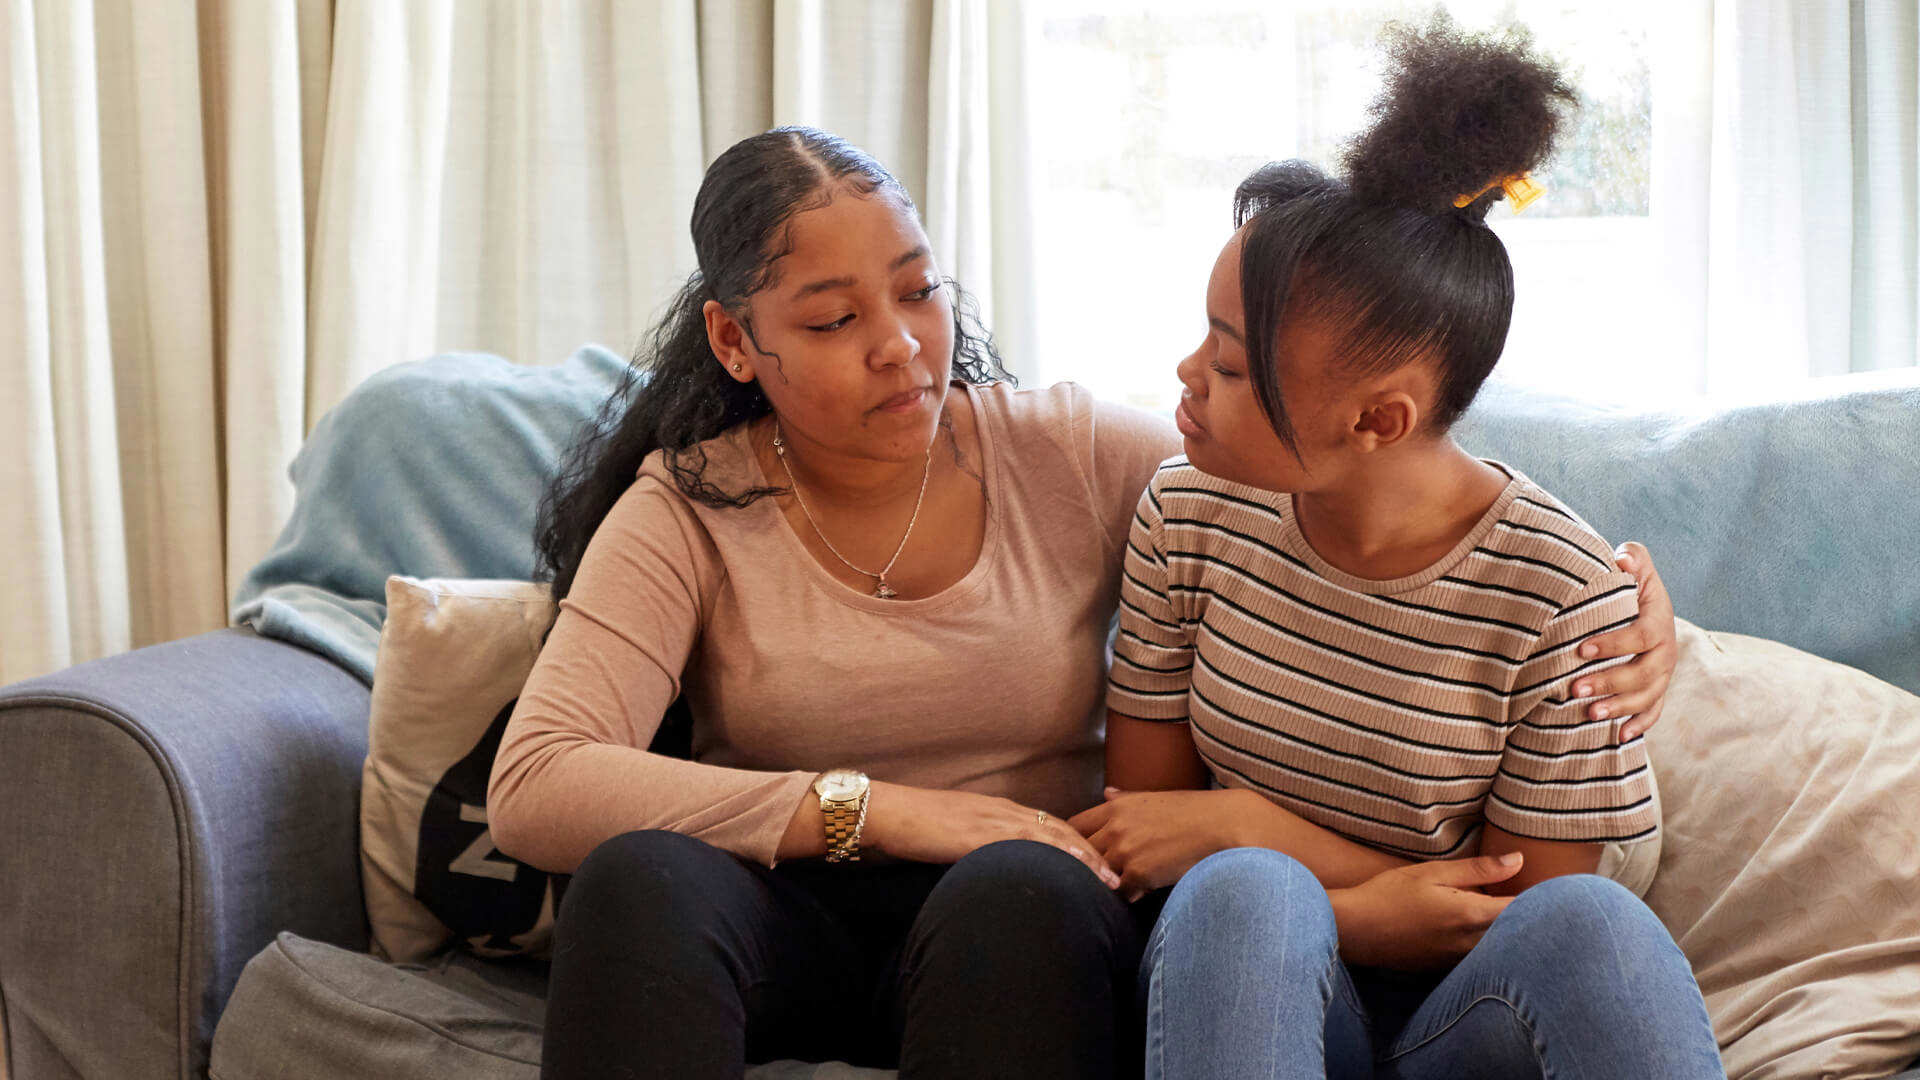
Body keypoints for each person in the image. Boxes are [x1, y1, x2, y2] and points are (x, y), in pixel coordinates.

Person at [485, 124, 1682, 1080]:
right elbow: (539, 785)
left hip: (1030, 918)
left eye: (918, 292)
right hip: (786, 912)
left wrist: (1629, 605)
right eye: (836, 320)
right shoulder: (688, 506)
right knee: (639, 879)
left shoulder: (1076, 458)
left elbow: (1366, 453)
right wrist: (882, 812)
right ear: (738, 344)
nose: (903, 346)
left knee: (1025, 889)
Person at [1075, 17, 1723, 1079]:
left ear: (1376, 420)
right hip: (1239, 982)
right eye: (1205, 336)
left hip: (1454, 1019)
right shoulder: (1189, 512)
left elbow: (1517, 909)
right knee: (1247, 892)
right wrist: (1336, 898)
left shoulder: (1563, 596)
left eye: (1232, 367)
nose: (1186, 374)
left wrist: (1259, 831)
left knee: (1596, 928)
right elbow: (1150, 832)